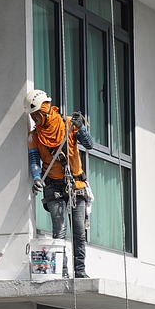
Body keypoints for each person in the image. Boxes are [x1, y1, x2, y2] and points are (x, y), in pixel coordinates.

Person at [26, 88, 94, 278]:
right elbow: (34, 161)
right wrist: (37, 178)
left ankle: (80, 271)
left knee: (79, 232)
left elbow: (89, 145)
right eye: (32, 116)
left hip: (76, 186)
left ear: (45, 110)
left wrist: (81, 128)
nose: (34, 120)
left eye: (36, 115)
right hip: (53, 187)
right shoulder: (35, 137)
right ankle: (62, 271)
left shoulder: (68, 124)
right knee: (60, 231)